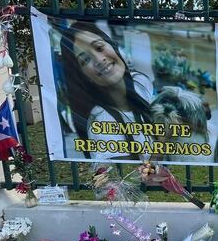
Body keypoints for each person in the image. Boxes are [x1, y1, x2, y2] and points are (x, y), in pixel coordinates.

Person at [59, 21, 155, 161]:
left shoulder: (141, 82)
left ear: (113, 46)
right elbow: (128, 178)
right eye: (85, 59)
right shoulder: (101, 121)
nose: (99, 60)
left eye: (99, 47)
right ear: (83, 76)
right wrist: (165, 140)